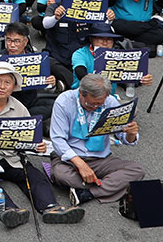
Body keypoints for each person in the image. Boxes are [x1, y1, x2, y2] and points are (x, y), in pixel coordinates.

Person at [0, 62, 83, 227]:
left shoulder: (20, 108)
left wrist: (37, 146)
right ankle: (9, 210)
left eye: (7, 82)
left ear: (13, 86)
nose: (2, 86)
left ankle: (50, 207)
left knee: (35, 176)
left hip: (11, 158)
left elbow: (28, 139)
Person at [49, 74, 145, 204]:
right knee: (61, 174)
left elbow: (122, 136)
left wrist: (131, 134)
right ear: (81, 94)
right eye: (91, 104)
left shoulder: (110, 102)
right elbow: (58, 139)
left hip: (101, 158)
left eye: (99, 104)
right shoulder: (64, 101)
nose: (94, 107)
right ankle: (111, 186)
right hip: (72, 159)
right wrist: (81, 164)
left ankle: (88, 193)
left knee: (137, 171)